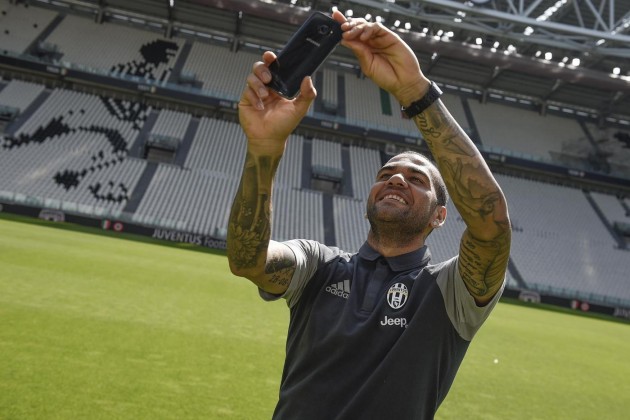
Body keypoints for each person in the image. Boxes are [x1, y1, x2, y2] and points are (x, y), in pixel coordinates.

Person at [227, 10, 511, 420]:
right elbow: (247, 260)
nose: (396, 178)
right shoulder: (318, 267)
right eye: (386, 175)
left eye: (417, 179)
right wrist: (264, 147)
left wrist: (415, 91)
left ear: (439, 216)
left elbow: (491, 226)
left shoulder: (451, 292)